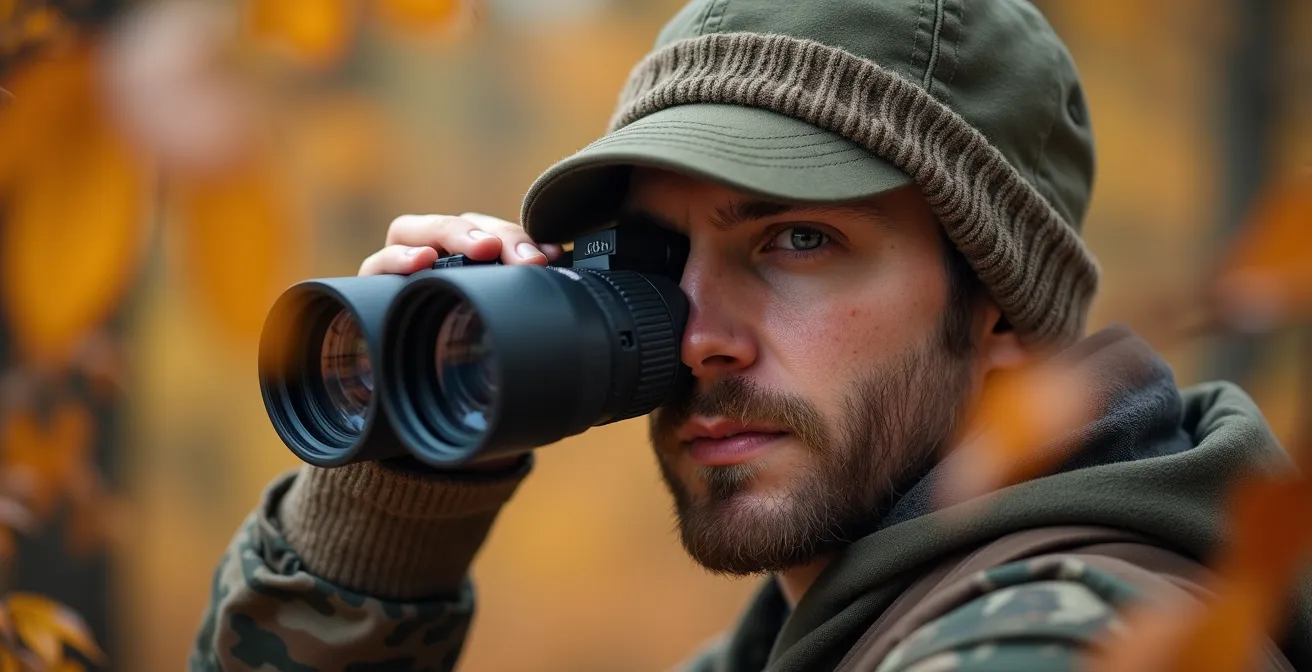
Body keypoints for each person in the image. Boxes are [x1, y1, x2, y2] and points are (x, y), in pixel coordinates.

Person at [189, 0, 1312, 669]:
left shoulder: (1069, 636)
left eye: (797, 240)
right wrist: (390, 514)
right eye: (655, 257)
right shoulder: (814, 639)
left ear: (1002, 309)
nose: (699, 339)